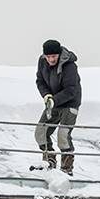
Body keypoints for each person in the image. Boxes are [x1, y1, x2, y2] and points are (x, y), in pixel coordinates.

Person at [35, 39, 82, 175]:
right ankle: (49, 162)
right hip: (52, 102)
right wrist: (46, 95)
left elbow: (71, 90)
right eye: (48, 57)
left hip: (69, 103)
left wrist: (54, 100)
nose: (51, 59)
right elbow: (40, 81)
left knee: (63, 135)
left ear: (59, 54)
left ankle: (66, 170)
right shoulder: (42, 61)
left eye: (54, 56)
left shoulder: (69, 66)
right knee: (40, 133)